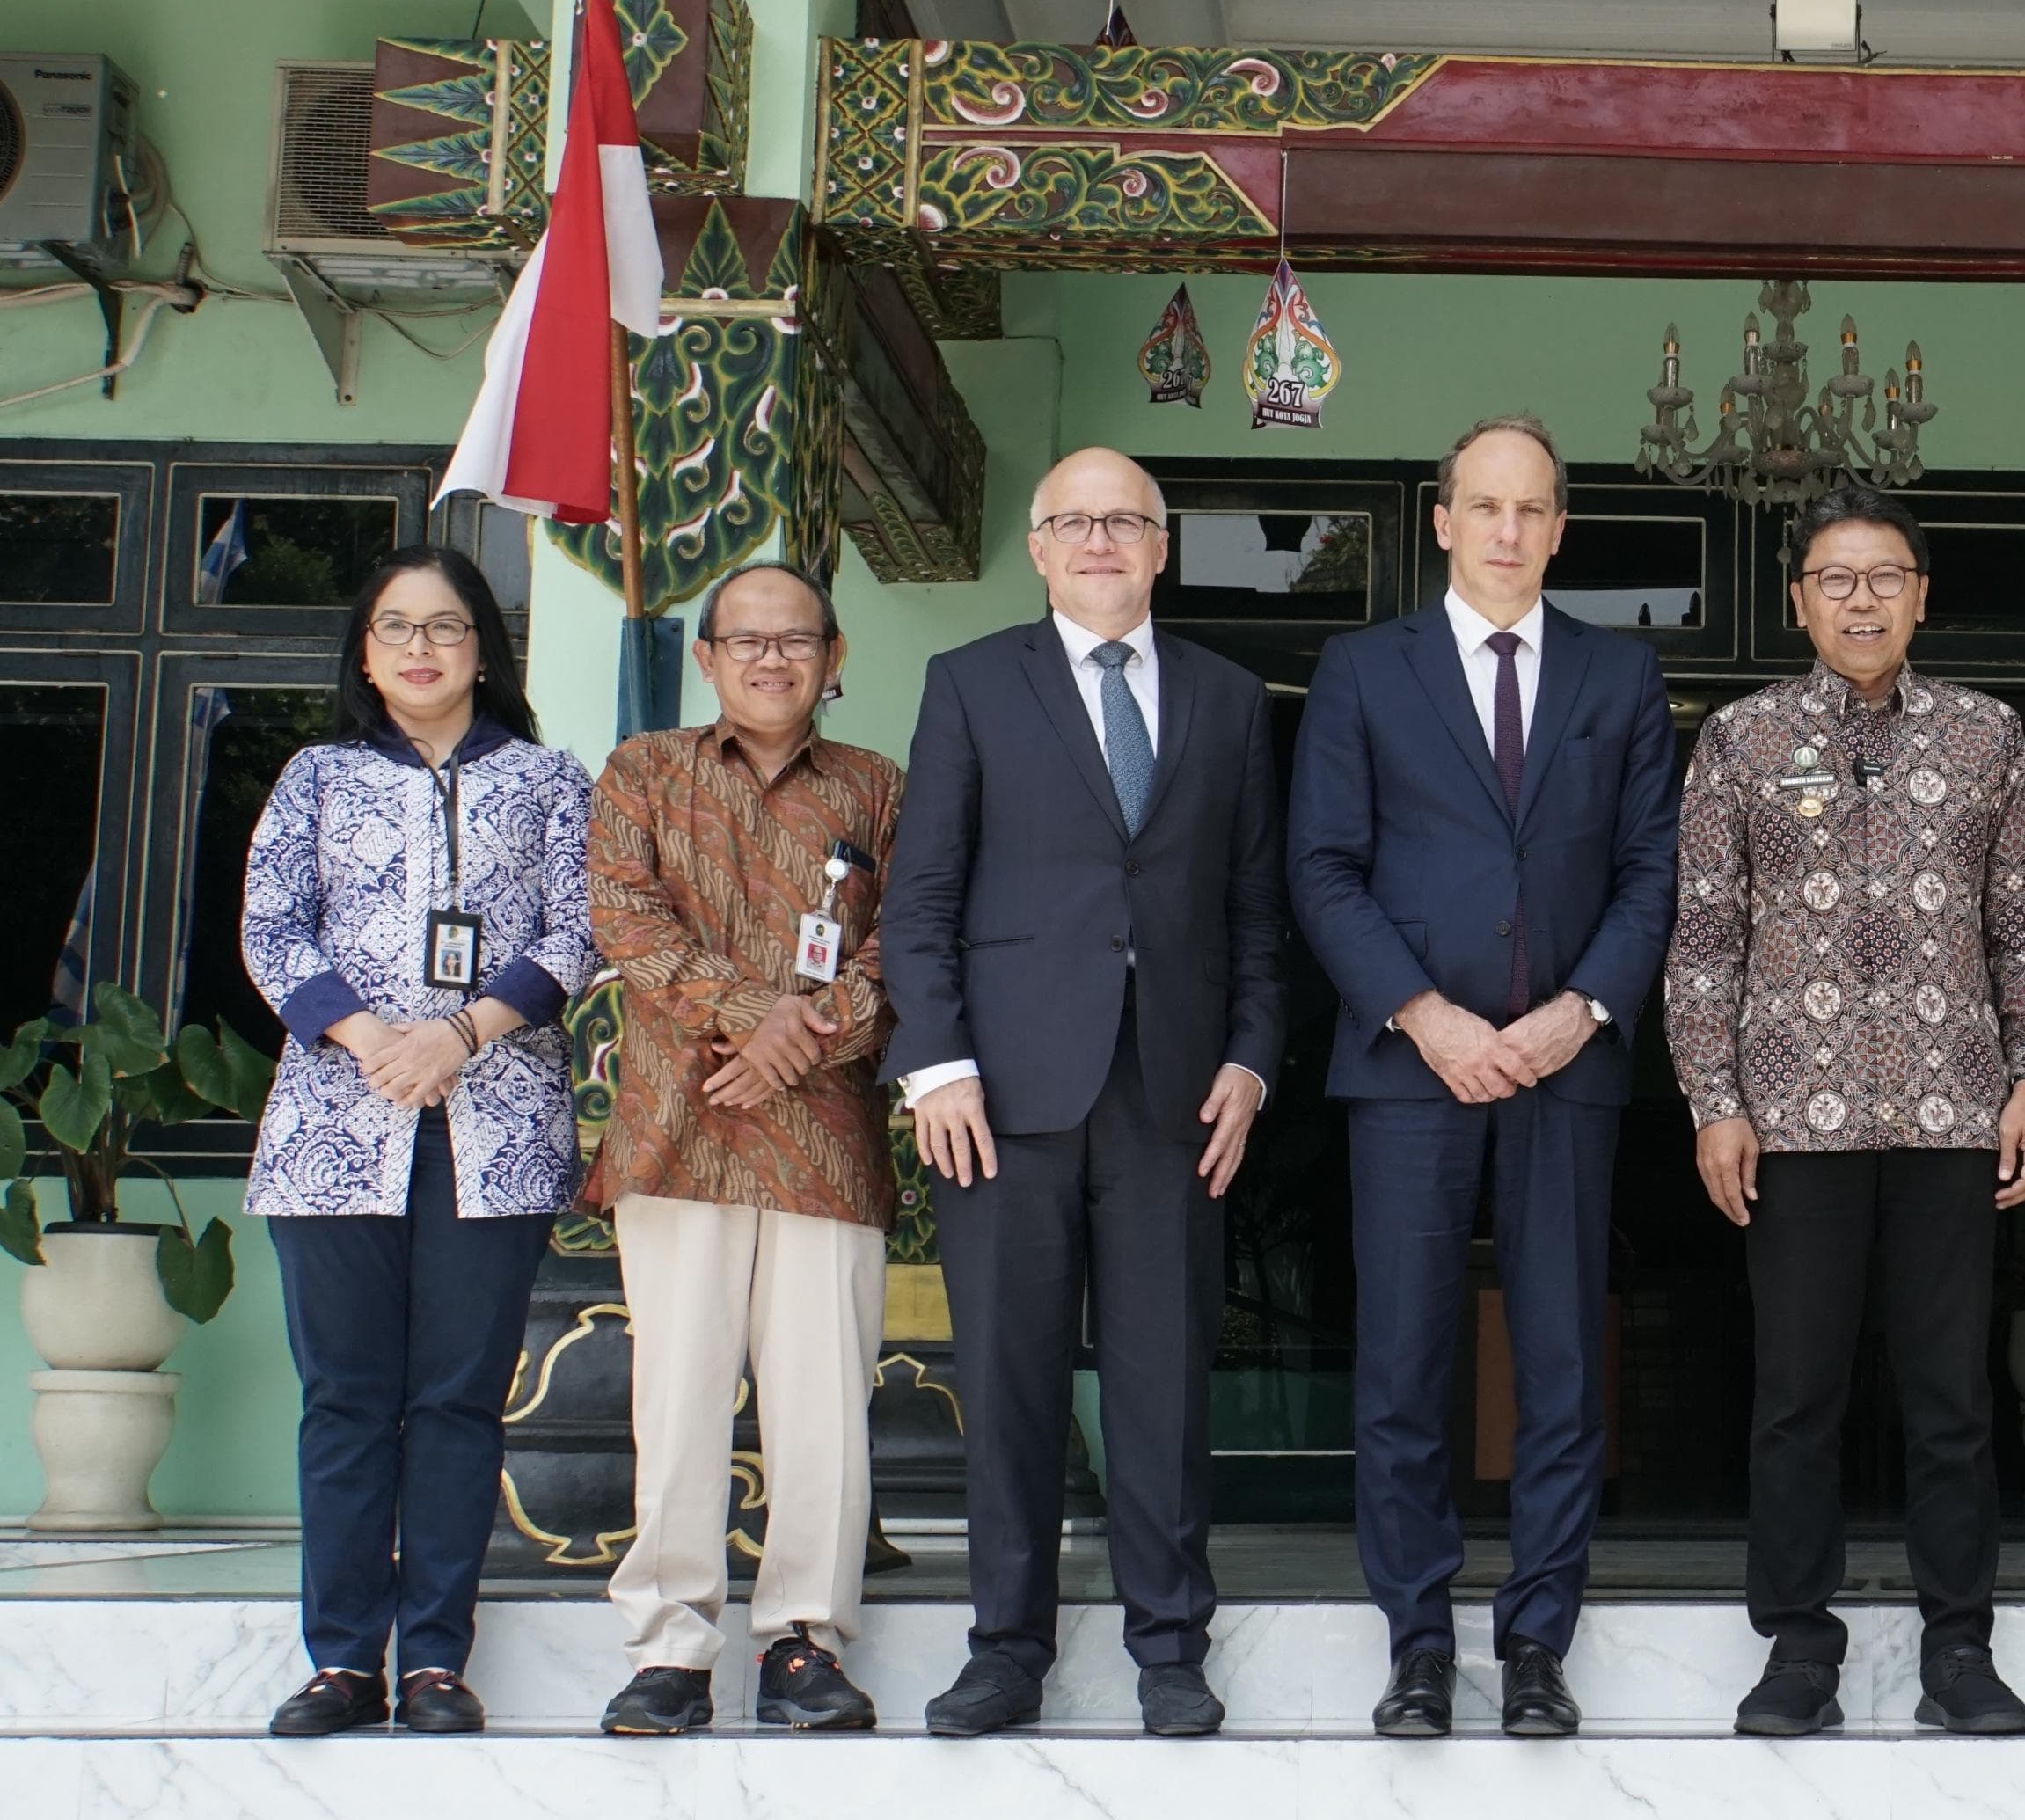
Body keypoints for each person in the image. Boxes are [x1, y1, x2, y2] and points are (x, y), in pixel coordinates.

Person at [883, 448, 1288, 1740]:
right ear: (1040, 551)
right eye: (1074, 521)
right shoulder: (970, 685)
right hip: (999, 1094)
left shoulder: (1230, 700)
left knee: (1165, 1380)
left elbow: (1255, 909)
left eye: (1127, 521)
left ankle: (1171, 1644)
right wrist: (934, 1061)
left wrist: (1252, 1054)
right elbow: (923, 897)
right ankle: (1007, 1647)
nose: (1101, 540)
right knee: (1008, 1378)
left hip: (1175, 1090)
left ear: (1163, 548)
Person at [1290, 415, 1679, 1739]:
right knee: (1405, 1365)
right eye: (1485, 507)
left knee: (1561, 1363)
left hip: (1567, 1067)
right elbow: (1322, 868)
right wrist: (1424, 1015)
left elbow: (1648, 874)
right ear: (1443, 521)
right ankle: (1414, 1641)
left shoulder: (1618, 677)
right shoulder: (1361, 670)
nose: (1509, 530)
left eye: (1534, 510)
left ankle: (1536, 1644)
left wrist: (1580, 1013)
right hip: (1411, 1069)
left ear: (1560, 530)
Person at [1666, 479, 2025, 1739]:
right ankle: (1797, 1646)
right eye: (1834, 579)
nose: (1860, 599)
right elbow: (1704, 939)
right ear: (1799, 602)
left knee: (1954, 1397)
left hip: (1955, 1114)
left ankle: (1960, 1648)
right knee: (1796, 1394)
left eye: (1883, 576)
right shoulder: (1737, 740)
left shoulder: (1988, 736)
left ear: (1921, 597)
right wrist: (1712, 1101)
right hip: (1792, 1121)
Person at [241, 545, 594, 1738]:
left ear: (483, 649)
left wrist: (462, 1034)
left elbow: (577, 931)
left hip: (493, 1129)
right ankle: (344, 1659)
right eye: (397, 628)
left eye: (446, 627)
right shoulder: (317, 776)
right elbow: (272, 930)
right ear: (365, 653)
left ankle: (436, 1657)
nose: (422, 648)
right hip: (336, 1131)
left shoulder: (550, 780)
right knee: (345, 1399)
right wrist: (370, 1039)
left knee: (456, 1400)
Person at [584, 561, 903, 1737]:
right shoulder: (644, 771)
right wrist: (750, 1020)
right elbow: (626, 917)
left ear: (834, 658)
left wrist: (798, 1043)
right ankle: (670, 1648)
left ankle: (805, 1644)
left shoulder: (879, 790)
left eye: (797, 640)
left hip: (823, 1141)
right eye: (747, 641)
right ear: (709, 658)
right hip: (680, 1130)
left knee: (824, 1404)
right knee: (676, 1401)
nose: (773, 659)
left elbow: (906, 941)